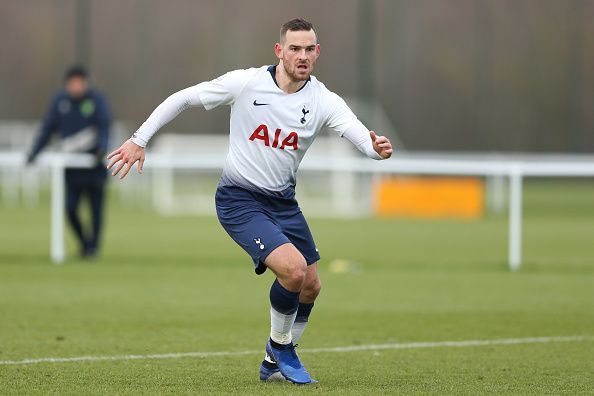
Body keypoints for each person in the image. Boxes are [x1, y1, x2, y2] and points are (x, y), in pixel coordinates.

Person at [106, 18, 392, 384]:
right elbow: (184, 98)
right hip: (239, 199)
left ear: (317, 53)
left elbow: (362, 139)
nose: (302, 56)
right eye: (294, 49)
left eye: (309, 49)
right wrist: (138, 139)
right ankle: (282, 347)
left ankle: (273, 363)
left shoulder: (324, 101)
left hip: (283, 203)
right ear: (279, 51)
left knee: (312, 285)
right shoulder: (246, 83)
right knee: (293, 270)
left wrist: (376, 149)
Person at [28, 65, 111, 259]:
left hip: (94, 168)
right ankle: (85, 243)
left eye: (79, 82)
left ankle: (93, 250)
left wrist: (101, 149)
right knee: (70, 208)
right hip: (71, 169)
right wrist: (35, 151)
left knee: (96, 212)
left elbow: (104, 127)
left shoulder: (97, 101)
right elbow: (48, 128)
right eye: (72, 83)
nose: (75, 87)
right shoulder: (60, 102)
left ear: (86, 83)